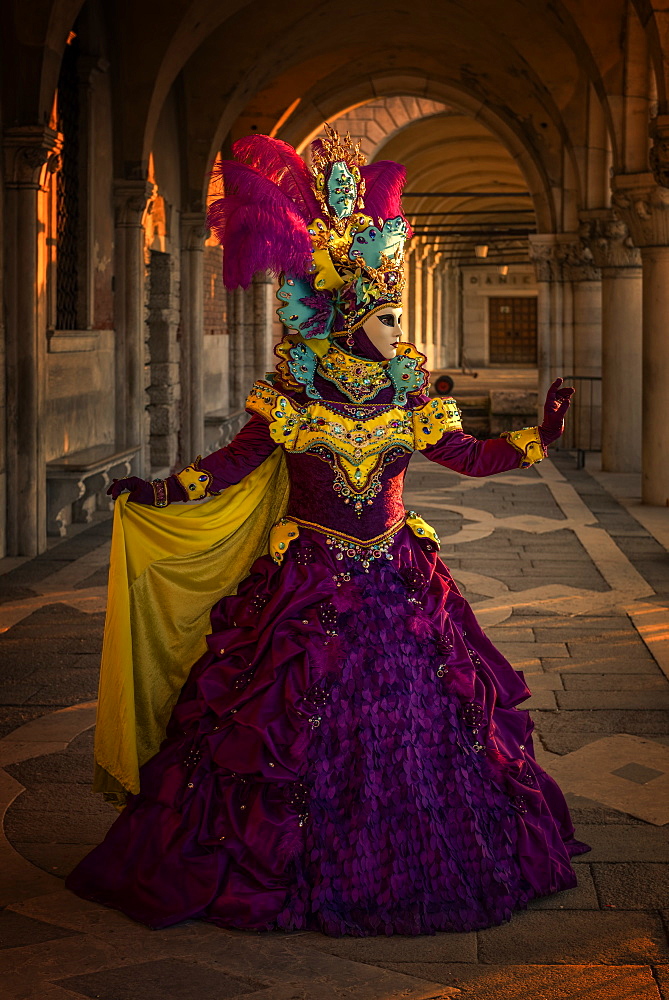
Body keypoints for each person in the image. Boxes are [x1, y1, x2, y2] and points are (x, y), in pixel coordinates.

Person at [66, 126, 589, 936]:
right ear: (349, 320)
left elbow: (470, 457)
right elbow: (232, 463)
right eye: (384, 317)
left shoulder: (410, 399)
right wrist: (162, 492)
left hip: (396, 579)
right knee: (271, 721)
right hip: (305, 582)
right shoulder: (289, 398)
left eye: (395, 317)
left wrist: (540, 436)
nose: (395, 331)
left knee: (430, 723)